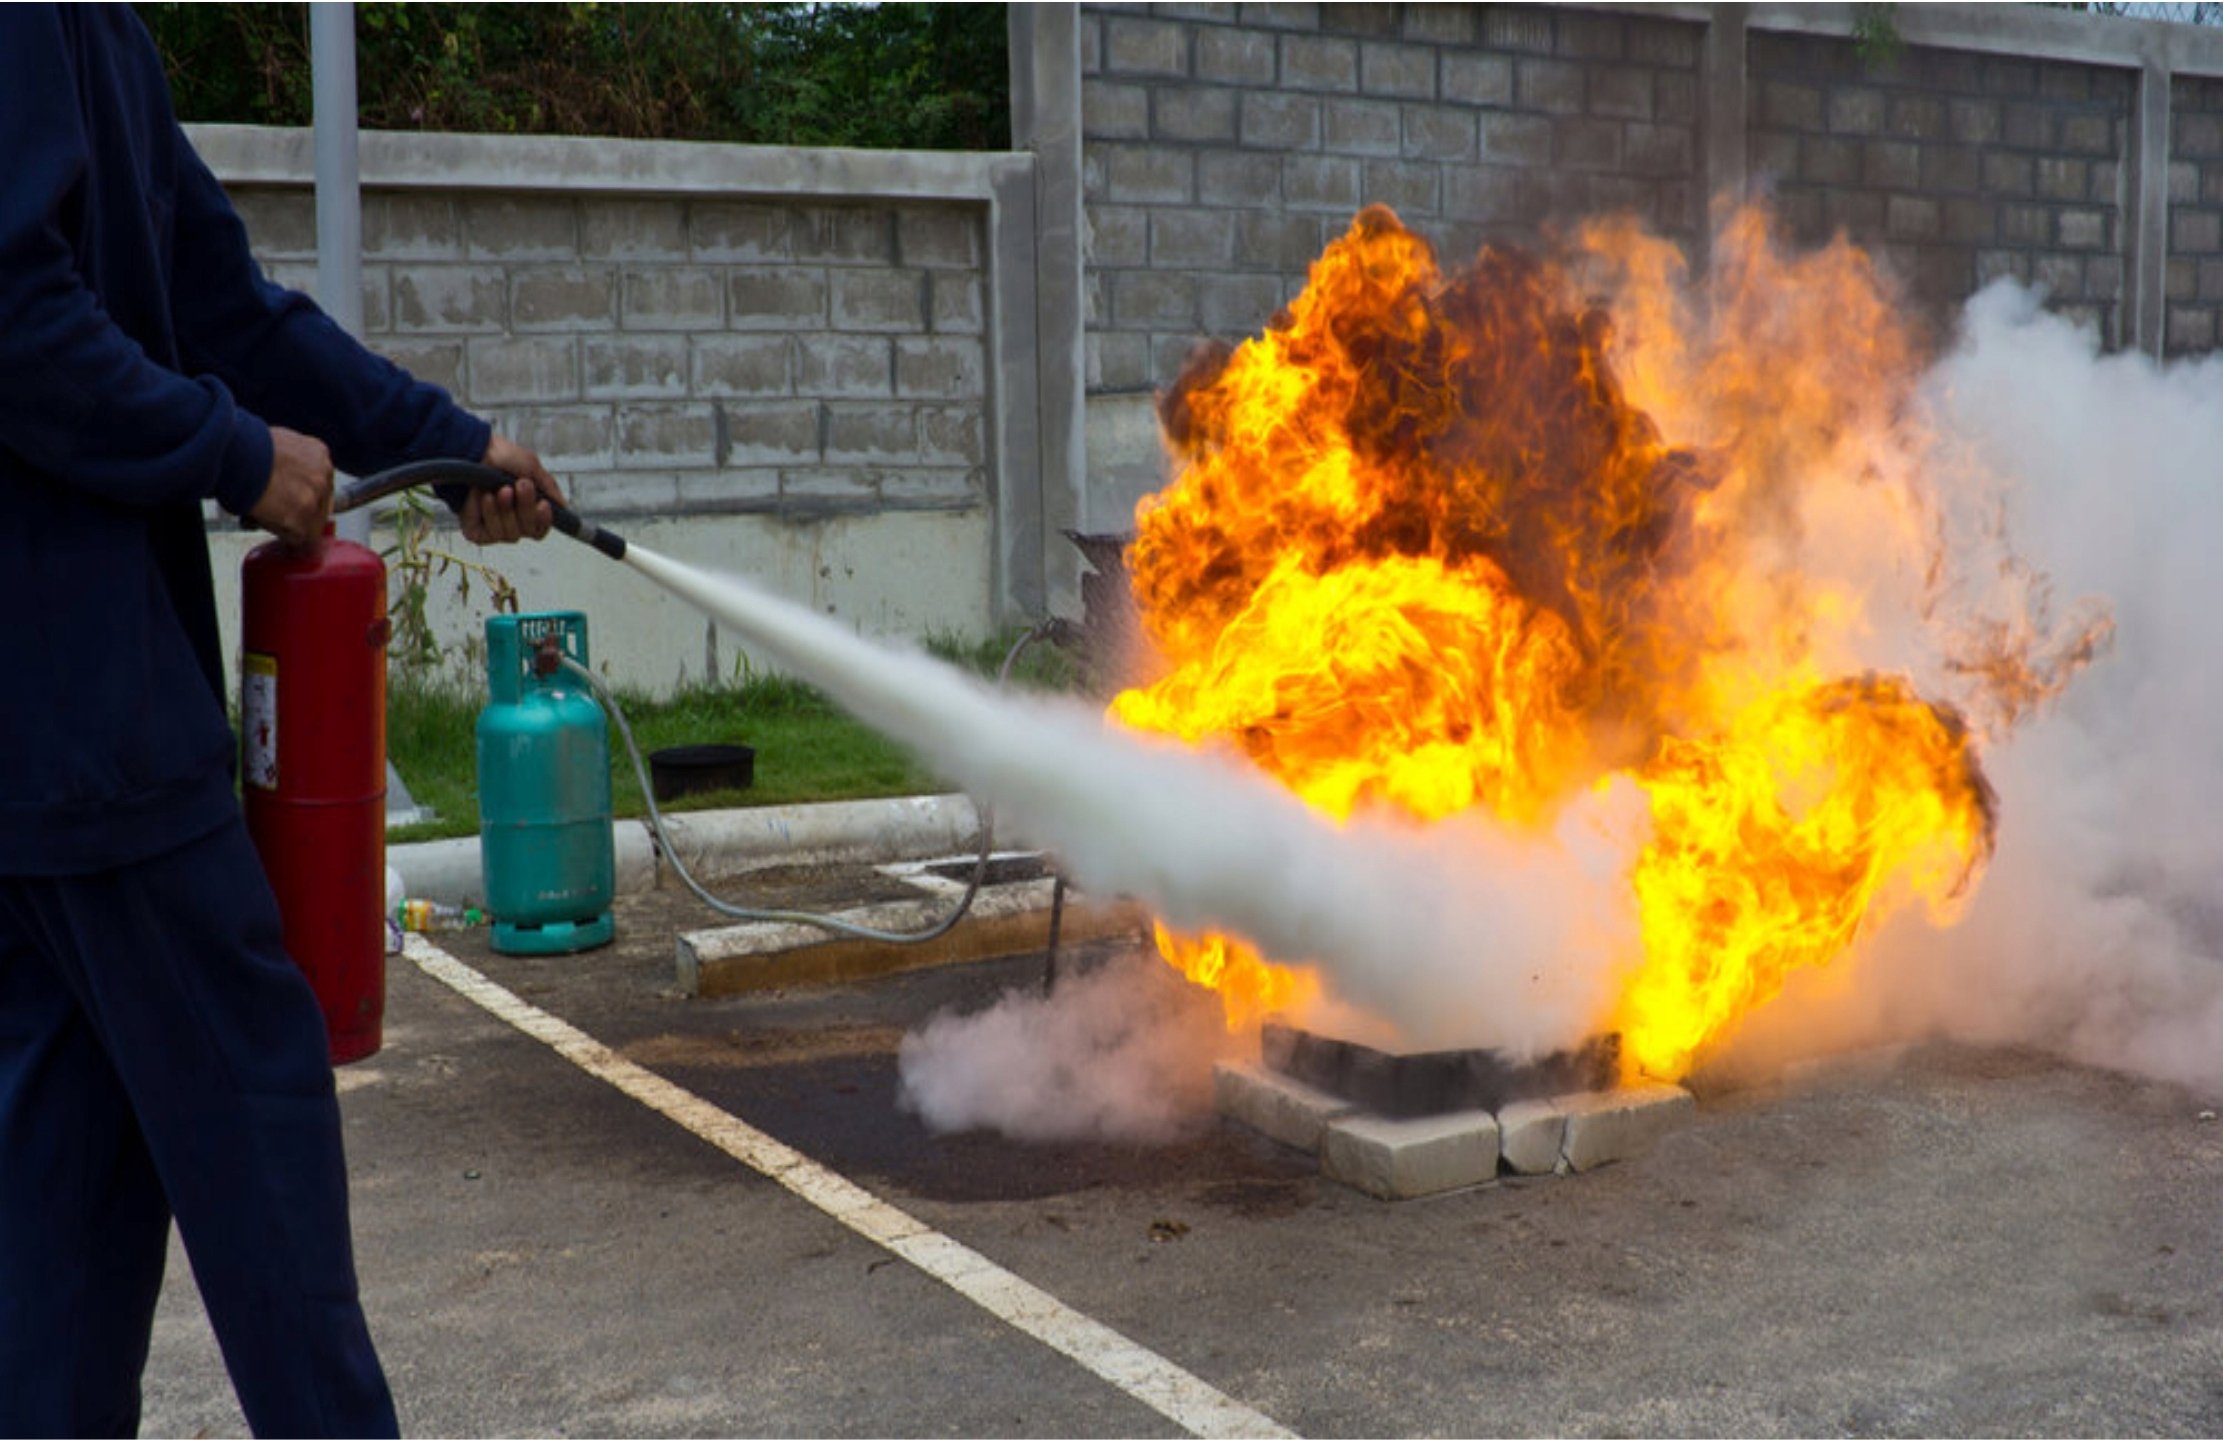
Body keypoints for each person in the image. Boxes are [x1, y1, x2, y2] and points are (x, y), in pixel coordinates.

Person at [0, 7, 565, 1434]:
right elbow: (12, 312)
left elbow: (230, 309)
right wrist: (230, 452)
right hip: (84, 707)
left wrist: (441, 444)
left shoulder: (98, 34)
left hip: (59, 743)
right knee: (257, 1106)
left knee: (69, 1185)